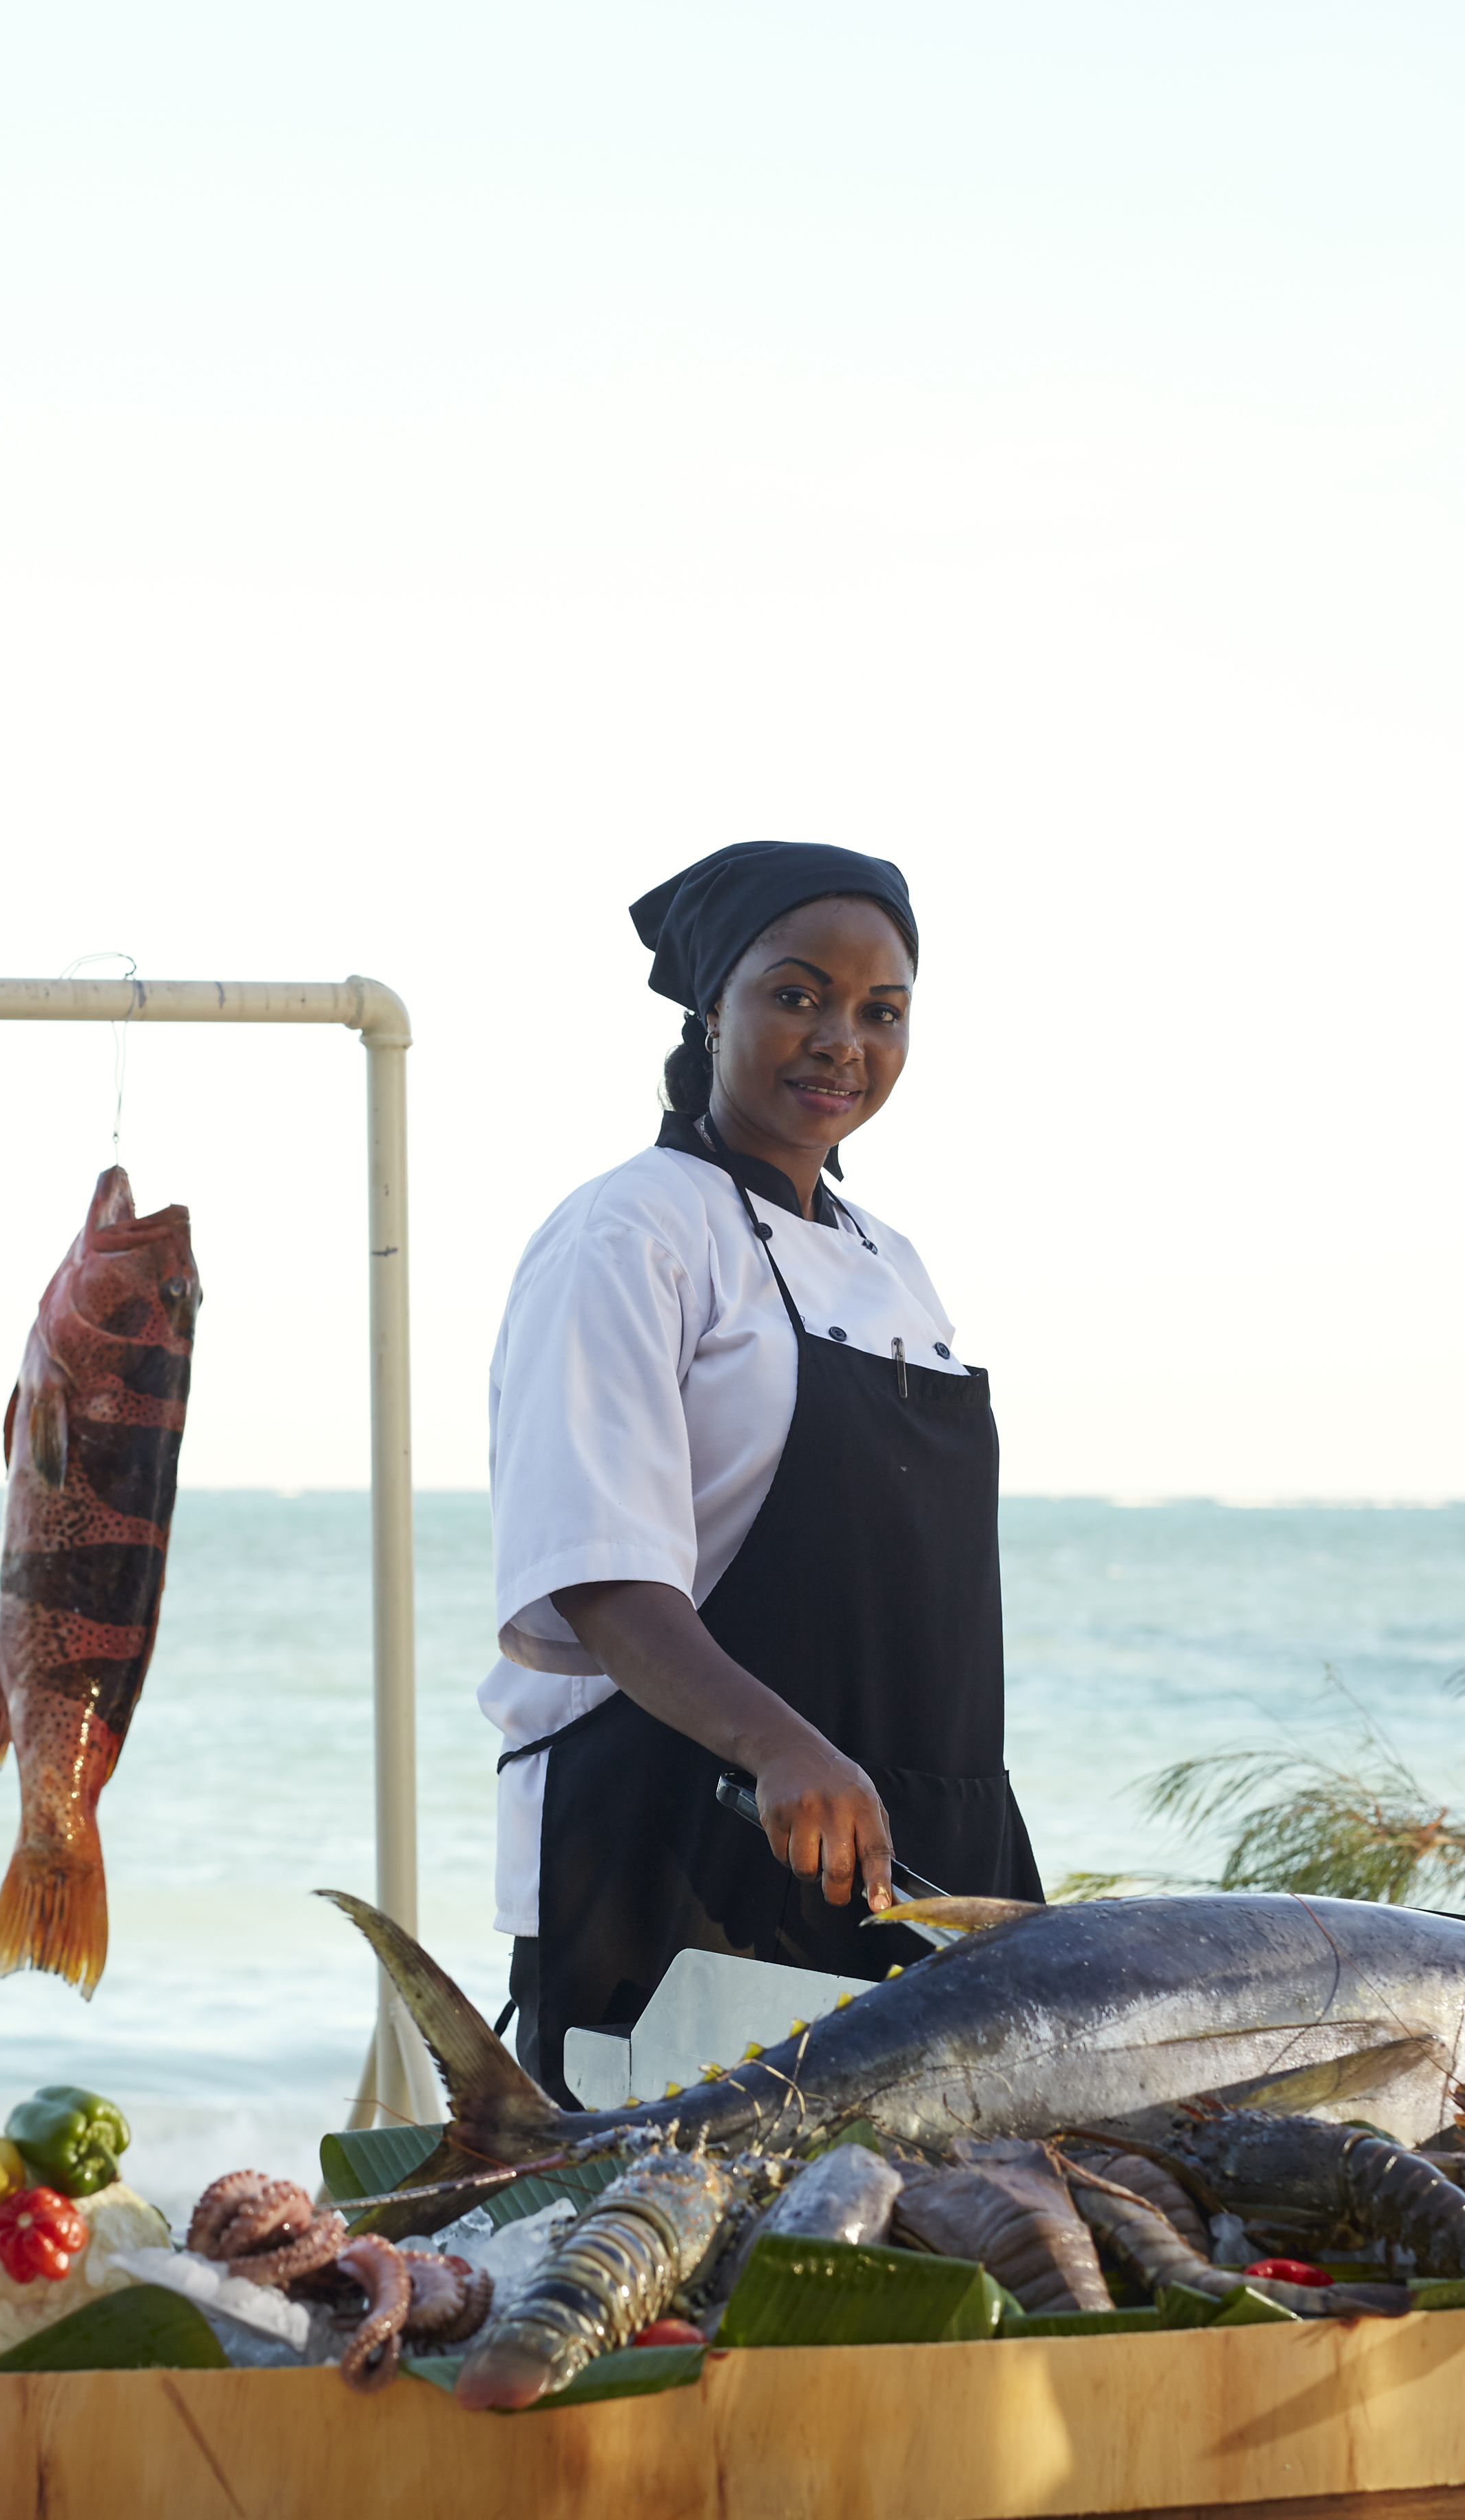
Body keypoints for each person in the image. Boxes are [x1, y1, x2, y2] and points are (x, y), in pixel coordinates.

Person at [481, 840, 1040, 2095]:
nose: (841, 1041)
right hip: (677, 1849)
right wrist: (785, 1749)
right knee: (669, 2214)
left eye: (881, 1012)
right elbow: (601, 1576)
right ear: (711, 1010)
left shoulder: (892, 1260)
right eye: (797, 996)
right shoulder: (628, 1229)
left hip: (915, 1864)